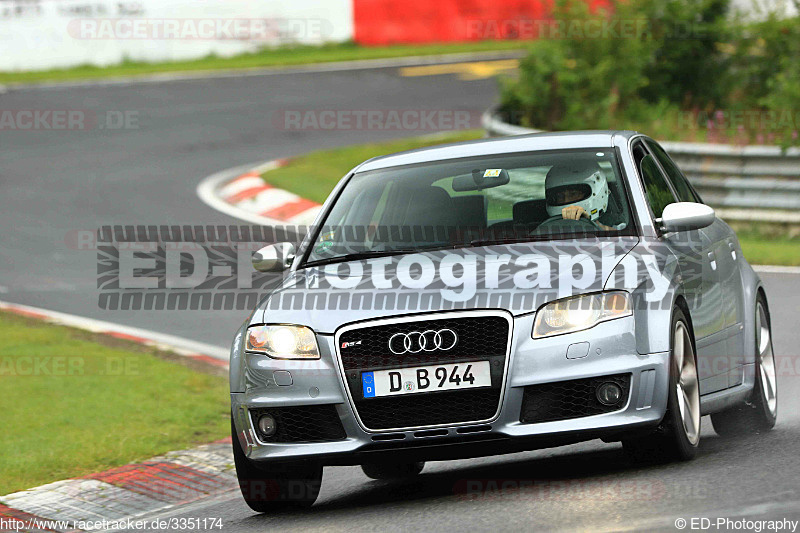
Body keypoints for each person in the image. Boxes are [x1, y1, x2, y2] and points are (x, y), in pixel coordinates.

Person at [544, 160, 624, 231]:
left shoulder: (620, 230)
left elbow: (622, 239)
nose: (566, 201)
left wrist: (591, 225)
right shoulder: (543, 232)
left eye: (573, 194)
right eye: (560, 196)